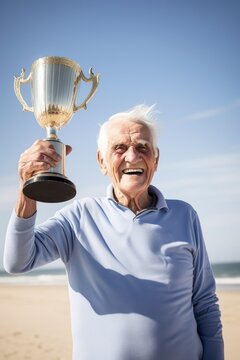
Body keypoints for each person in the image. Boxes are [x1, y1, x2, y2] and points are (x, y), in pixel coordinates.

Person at [4, 104, 224, 360]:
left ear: (156, 159)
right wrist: (26, 188)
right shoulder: (79, 217)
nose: (132, 156)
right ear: (102, 161)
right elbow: (17, 261)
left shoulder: (185, 215)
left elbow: (205, 303)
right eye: (119, 148)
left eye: (143, 147)